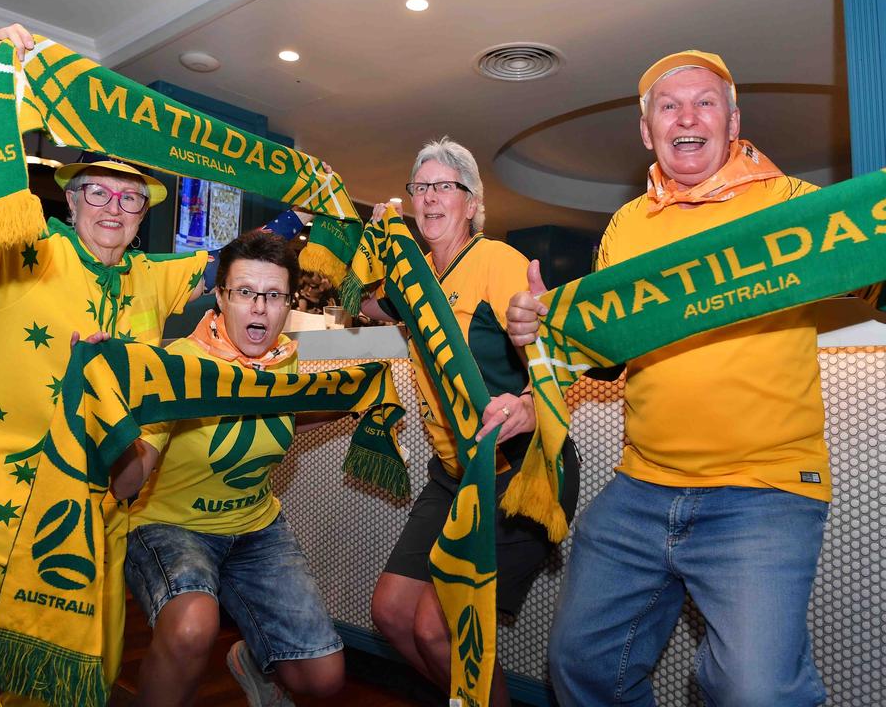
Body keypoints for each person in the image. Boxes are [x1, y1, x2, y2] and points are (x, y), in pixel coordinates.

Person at [506, 50, 862, 706]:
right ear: (648, 132)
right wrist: (544, 330)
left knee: (754, 691)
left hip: (764, 490)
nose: (686, 117)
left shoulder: (793, 202)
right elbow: (605, 349)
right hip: (641, 487)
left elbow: (868, 275)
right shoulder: (626, 225)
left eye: (704, 102)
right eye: (668, 107)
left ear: (732, 119)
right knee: (580, 664)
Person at [0, 23, 210, 707]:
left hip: (101, 503)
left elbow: (247, 265)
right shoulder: (26, 247)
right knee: (47, 661)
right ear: (72, 197)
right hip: (1, 489)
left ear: (145, 214)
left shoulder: (155, 275)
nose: (114, 207)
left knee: (97, 663)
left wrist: (323, 216)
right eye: (97, 192)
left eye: (130, 197)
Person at [362, 137, 576, 706]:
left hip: (515, 471)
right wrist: (371, 245)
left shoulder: (496, 262)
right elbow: (366, 305)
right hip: (453, 473)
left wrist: (531, 401)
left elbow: (553, 346)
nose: (430, 198)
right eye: (421, 188)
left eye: (444, 187)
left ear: (473, 202)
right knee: (390, 611)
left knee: (438, 626)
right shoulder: (415, 281)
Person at [112, 230, 344, 707]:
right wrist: (112, 417)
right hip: (172, 525)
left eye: (274, 295)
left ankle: (254, 667)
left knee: (323, 680)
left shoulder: (286, 363)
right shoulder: (180, 364)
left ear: (287, 303)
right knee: (194, 624)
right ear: (219, 298)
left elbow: (283, 415)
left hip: (257, 528)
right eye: (244, 293)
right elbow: (127, 483)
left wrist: (352, 402)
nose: (259, 308)